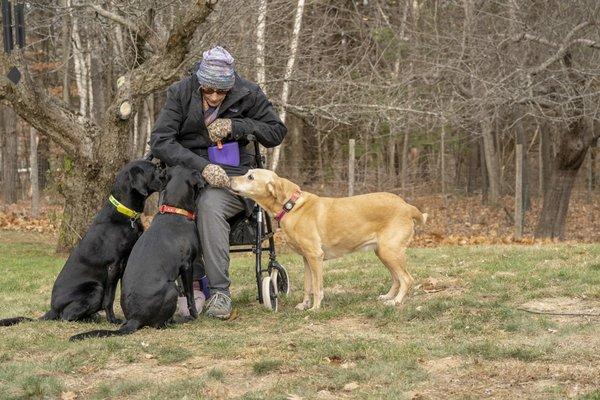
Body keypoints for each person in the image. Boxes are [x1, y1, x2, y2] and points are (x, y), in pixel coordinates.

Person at [150, 46, 287, 319]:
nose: (214, 97)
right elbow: (160, 141)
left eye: (220, 92)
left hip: (233, 179)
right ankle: (191, 283)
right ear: (200, 82)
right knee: (179, 207)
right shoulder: (180, 93)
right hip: (188, 175)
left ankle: (220, 291)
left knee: (209, 204)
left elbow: (276, 132)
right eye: (208, 90)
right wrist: (202, 166)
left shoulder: (249, 92)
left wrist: (238, 127)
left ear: (231, 85)